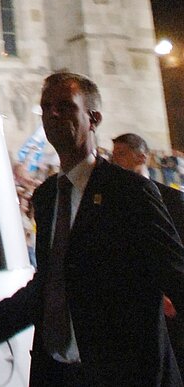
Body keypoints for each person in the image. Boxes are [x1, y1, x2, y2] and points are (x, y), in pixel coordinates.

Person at [0, 70, 184, 386]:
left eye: (66, 106)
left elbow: (177, 276)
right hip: (58, 375)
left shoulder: (130, 192)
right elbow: (50, 285)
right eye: (46, 107)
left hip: (124, 375)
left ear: (93, 118)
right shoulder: (46, 196)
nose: (52, 114)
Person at [111, 130, 184, 375]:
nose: (114, 161)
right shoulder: (111, 208)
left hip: (172, 312)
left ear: (141, 157)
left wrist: (171, 293)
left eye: (121, 154)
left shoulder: (173, 201)